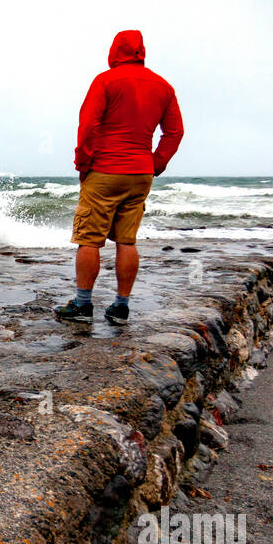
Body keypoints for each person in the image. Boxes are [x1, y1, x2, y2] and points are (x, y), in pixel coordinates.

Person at [55, 29, 183, 325]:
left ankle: (83, 305)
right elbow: (174, 133)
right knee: (127, 240)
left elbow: (88, 125)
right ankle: (121, 306)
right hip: (140, 172)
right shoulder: (163, 86)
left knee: (89, 238)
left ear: (114, 51)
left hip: (105, 169)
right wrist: (156, 163)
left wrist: (83, 164)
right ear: (142, 52)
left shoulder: (105, 80)